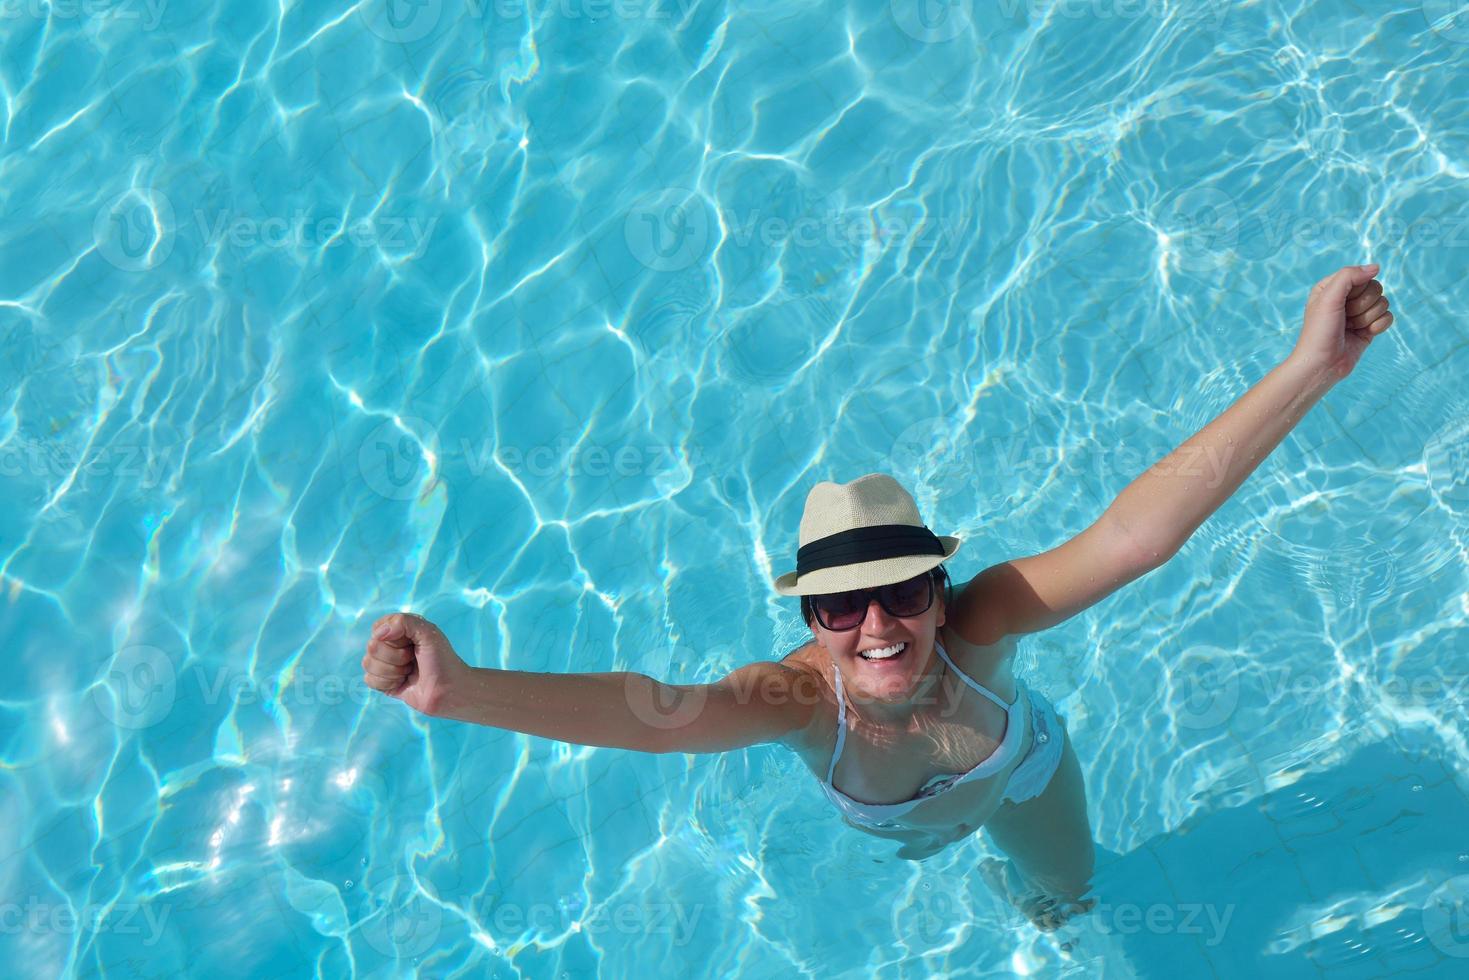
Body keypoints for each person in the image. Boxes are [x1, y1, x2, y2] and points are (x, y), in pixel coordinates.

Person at [361, 264, 1394, 931]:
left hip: (1022, 776)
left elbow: (1133, 537)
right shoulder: (798, 699)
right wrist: (466, 690)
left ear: (938, 591)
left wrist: (1309, 368)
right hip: (898, 825)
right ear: (809, 617)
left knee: (1065, 901)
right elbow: (660, 715)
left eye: (900, 589)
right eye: (838, 605)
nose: (874, 623)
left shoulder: (980, 625)